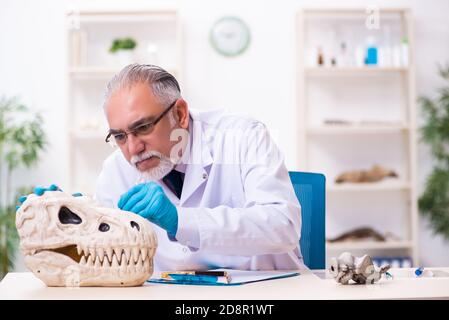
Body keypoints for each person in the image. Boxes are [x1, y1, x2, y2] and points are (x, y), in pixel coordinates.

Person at [95, 63, 303, 271]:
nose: (133, 148)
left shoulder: (243, 137)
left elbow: (283, 225)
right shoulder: (115, 170)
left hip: (263, 292)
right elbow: (105, 255)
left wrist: (180, 221)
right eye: (119, 136)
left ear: (180, 114)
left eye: (143, 127)